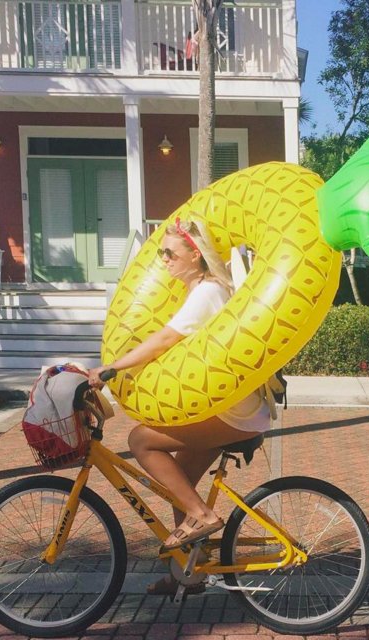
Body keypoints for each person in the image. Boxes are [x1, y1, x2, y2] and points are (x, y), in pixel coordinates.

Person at [87, 218, 271, 595]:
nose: (164, 259)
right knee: (178, 488)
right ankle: (188, 575)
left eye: (171, 252)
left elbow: (167, 338)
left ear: (195, 255)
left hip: (234, 414)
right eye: (161, 253)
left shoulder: (206, 293)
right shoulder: (202, 291)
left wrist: (113, 367)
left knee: (141, 441)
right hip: (229, 409)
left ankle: (203, 515)